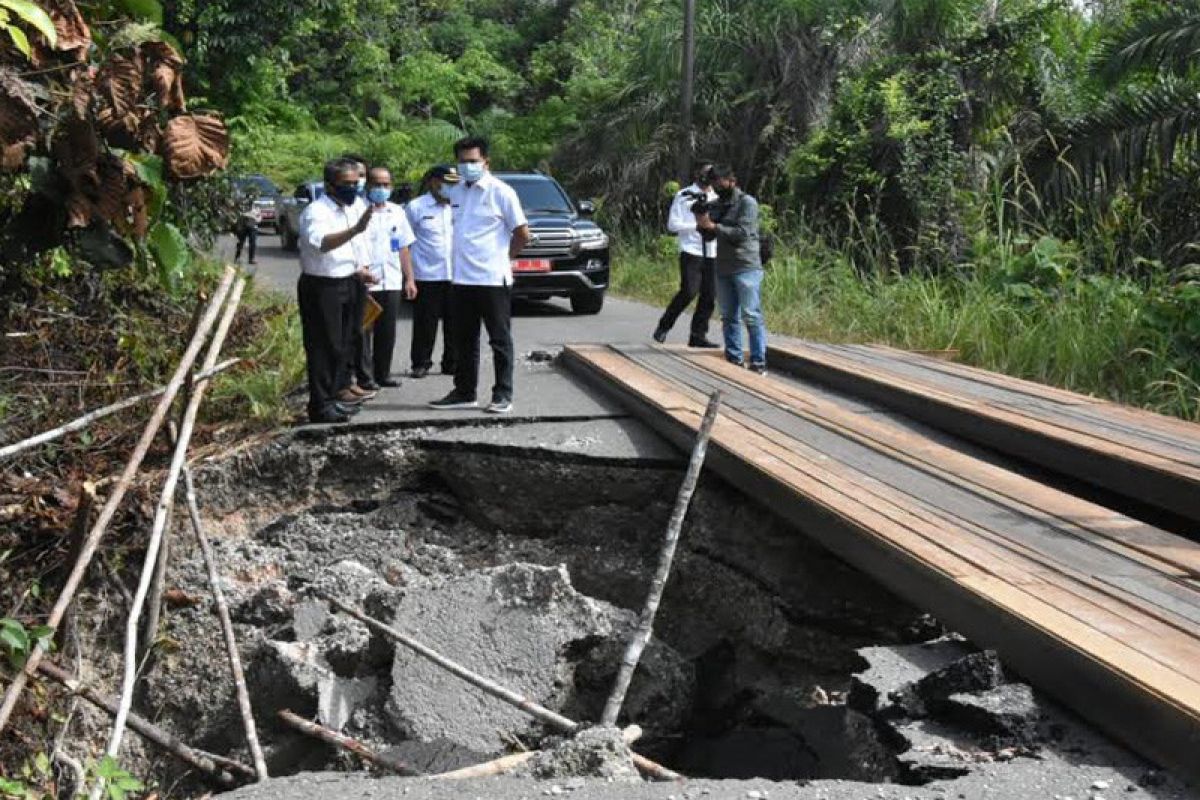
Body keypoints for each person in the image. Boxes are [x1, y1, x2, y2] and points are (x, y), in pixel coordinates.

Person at [430, 136, 530, 414]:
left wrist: (505, 258)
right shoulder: (457, 192)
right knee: (464, 340)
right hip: (461, 279)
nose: (468, 166)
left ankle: (502, 394)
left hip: (492, 280)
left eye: (473, 161)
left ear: (486, 162)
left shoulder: (502, 192)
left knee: (499, 339)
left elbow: (523, 234)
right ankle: (464, 391)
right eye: (462, 162)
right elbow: (439, 192)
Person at [297, 158, 378, 424]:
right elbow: (322, 243)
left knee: (346, 342)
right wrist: (355, 230)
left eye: (356, 183)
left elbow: (356, 246)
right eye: (347, 184)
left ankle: (334, 397)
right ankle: (320, 405)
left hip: (350, 280)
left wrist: (361, 269)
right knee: (324, 345)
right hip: (323, 285)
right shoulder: (316, 212)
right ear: (330, 185)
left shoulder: (353, 207)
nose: (353, 188)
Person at [696, 164, 767, 374]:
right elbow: (709, 235)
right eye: (713, 183)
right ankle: (734, 359)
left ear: (731, 180)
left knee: (751, 315)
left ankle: (758, 361)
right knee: (728, 316)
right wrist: (701, 223)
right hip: (723, 266)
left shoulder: (747, 203)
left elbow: (742, 233)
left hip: (745, 265)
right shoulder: (717, 204)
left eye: (719, 182)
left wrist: (714, 226)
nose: (716, 186)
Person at [360, 165, 417, 388]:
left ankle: (382, 373)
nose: (381, 189)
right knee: (363, 331)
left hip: (391, 279)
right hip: (366, 280)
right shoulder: (358, 210)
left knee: (387, 330)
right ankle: (364, 377)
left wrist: (409, 279)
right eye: (376, 184)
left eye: (385, 185)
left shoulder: (397, 212)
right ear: (368, 185)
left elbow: (403, 247)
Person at [652, 161, 719, 348]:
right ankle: (665, 324)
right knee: (689, 291)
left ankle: (698, 335)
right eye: (705, 174)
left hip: (711, 251)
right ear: (698, 174)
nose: (707, 178)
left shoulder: (717, 197)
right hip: (691, 250)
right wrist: (696, 227)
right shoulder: (684, 195)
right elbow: (672, 225)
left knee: (709, 295)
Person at [405, 165, 460, 379]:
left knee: (456, 322)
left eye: (454, 182)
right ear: (433, 182)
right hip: (427, 275)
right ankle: (420, 363)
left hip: (456, 274)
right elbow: (405, 243)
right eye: (446, 182)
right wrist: (407, 276)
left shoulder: (459, 205)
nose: (449, 187)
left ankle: (452, 362)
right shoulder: (416, 207)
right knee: (425, 323)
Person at [341, 154, 378, 398]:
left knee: (359, 330)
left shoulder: (362, 205)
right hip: (344, 275)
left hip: (363, 275)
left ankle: (358, 378)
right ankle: (344, 381)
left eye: (362, 177)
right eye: (354, 179)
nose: (358, 183)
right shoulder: (338, 208)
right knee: (343, 334)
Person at [233, 187, 260, 265]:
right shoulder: (241, 203)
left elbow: (259, 214)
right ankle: (237, 258)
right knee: (241, 242)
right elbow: (237, 211)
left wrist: (257, 220)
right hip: (243, 223)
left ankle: (251, 258)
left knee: (253, 242)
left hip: (252, 223)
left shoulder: (256, 205)